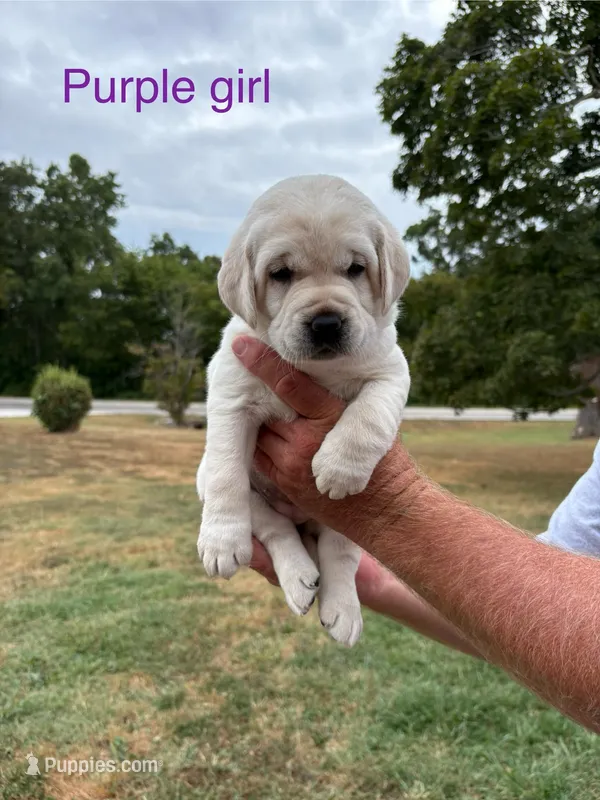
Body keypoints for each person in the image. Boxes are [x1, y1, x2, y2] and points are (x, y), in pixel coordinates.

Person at [229, 335, 600, 735]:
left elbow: (553, 610)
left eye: (355, 268)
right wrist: (370, 578)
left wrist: (387, 506)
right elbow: (542, 608)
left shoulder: (378, 354)